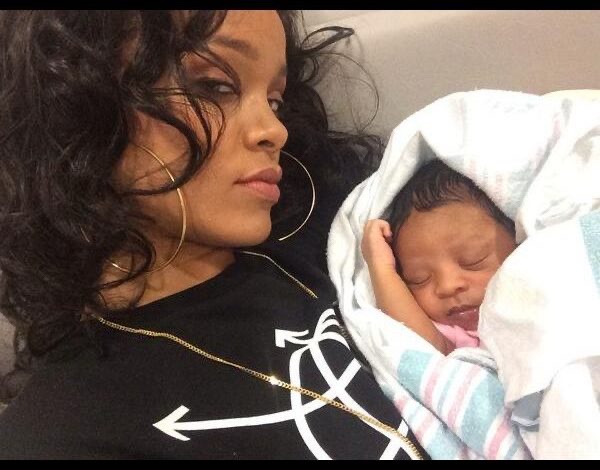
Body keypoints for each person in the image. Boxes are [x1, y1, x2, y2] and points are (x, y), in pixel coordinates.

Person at [0, 10, 426, 459]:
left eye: (275, 100)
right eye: (215, 86)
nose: (275, 130)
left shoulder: (335, 229)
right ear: (76, 97)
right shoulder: (60, 434)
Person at [361, 160, 517, 355]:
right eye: (419, 279)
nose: (447, 286)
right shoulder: (451, 338)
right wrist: (381, 268)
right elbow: (425, 350)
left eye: (473, 260)